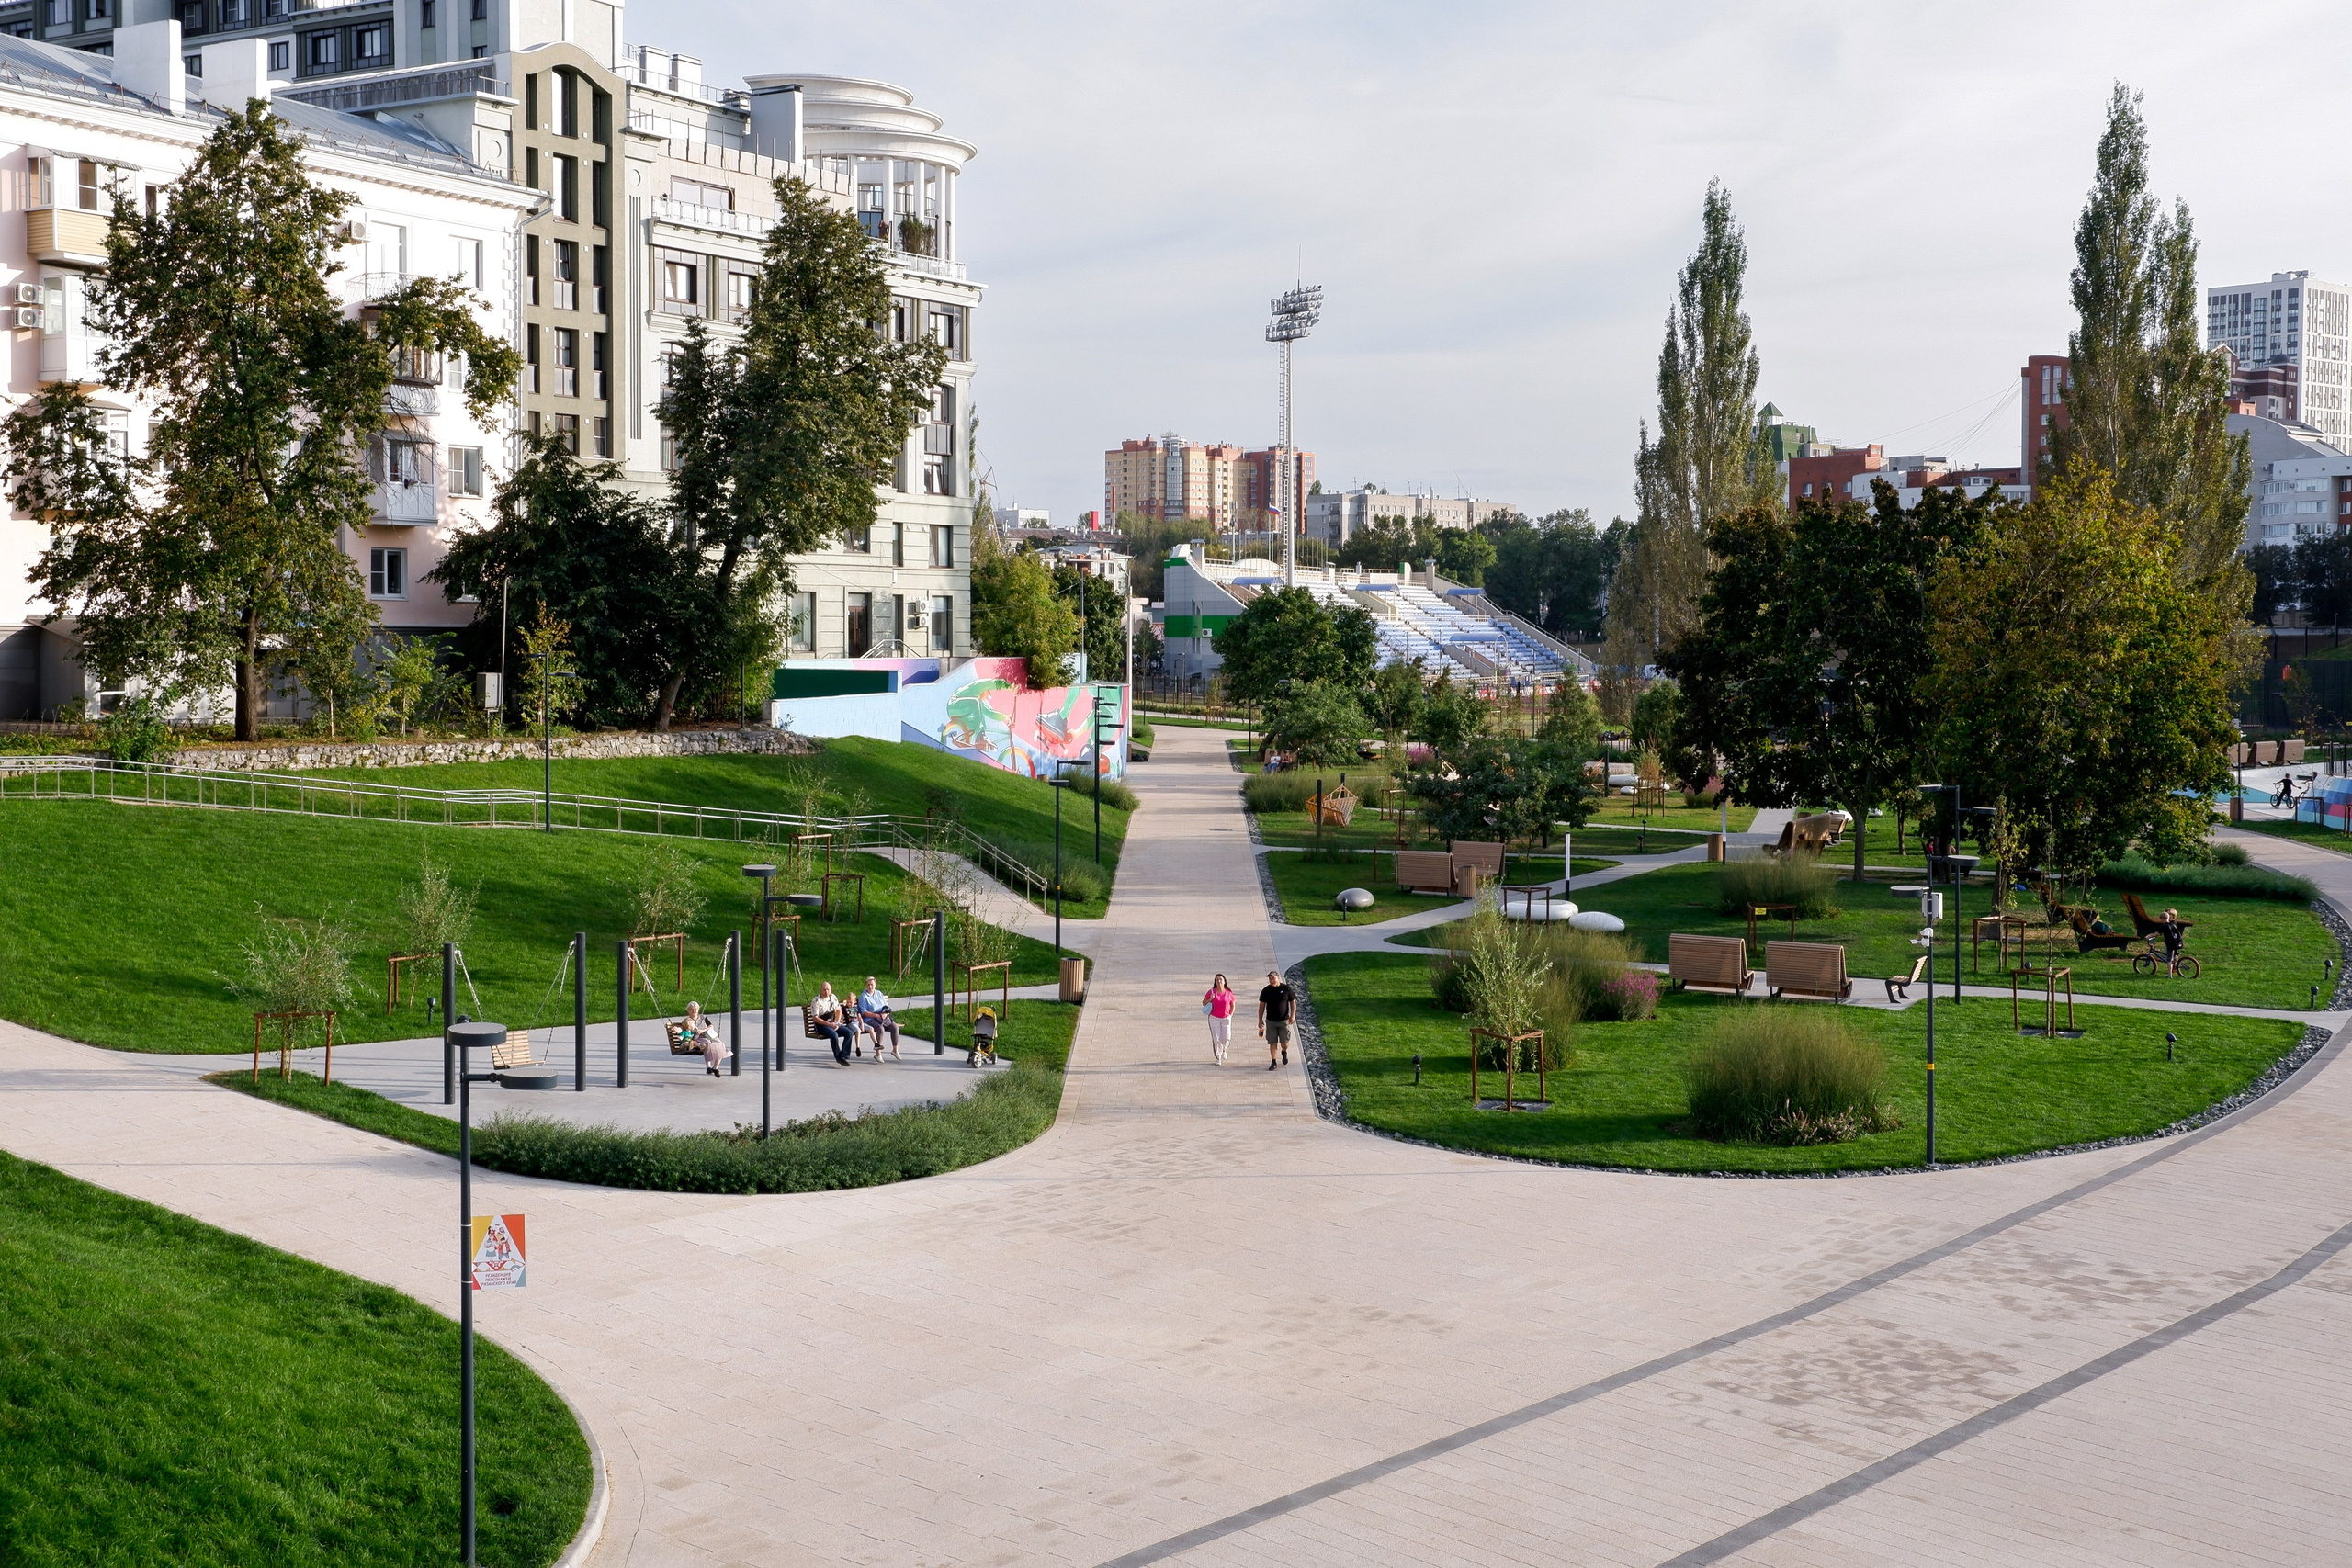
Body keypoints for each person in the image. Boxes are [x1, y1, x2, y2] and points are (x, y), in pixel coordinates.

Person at [809, 981, 856, 1066]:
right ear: (820, 990)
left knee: (849, 1033)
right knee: (834, 1035)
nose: (826, 992)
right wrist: (829, 1024)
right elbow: (815, 1018)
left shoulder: (832, 997)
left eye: (828, 989)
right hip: (821, 1025)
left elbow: (838, 1010)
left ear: (831, 990)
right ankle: (838, 1057)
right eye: (824, 990)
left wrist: (837, 1022)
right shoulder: (816, 1001)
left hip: (832, 1023)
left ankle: (844, 1056)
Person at [1258, 969, 1295, 1071]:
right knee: (1272, 1042)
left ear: (1278, 978)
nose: (1271, 980)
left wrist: (1292, 1016)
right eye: (1270, 978)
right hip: (1271, 1021)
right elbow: (1262, 1005)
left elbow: (1292, 1001)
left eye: (1273, 978)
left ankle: (1284, 1051)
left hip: (1284, 1021)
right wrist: (1260, 1019)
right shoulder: (1266, 991)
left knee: (1285, 1043)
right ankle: (1273, 1062)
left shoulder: (1286, 988)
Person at [857, 976, 900, 1061]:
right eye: (868, 985)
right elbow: (864, 1012)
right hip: (870, 1018)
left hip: (882, 1017)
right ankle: (878, 1054)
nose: (870, 987)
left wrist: (885, 1013)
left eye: (872, 985)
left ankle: (895, 1050)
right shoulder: (863, 996)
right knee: (880, 1029)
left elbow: (886, 1006)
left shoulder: (879, 993)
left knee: (895, 1027)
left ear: (875, 985)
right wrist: (876, 1015)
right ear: (866, 985)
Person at [681, 1000, 728, 1077]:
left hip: (708, 1035)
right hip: (698, 1038)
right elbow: (683, 1028)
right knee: (708, 1044)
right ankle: (708, 1067)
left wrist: (702, 1030)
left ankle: (715, 1067)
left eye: (695, 1009)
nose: (694, 1011)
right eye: (691, 1009)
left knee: (721, 1045)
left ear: (698, 1009)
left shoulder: (703, 1017)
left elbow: (711, 1026)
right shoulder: (688, 1020)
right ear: (688, 1010)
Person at [1202, 974, 1237, 1064]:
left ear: (1224, 981)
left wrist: (1230, 1015)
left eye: (1221, 979)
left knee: (1226, 1037)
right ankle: (1218, 1056)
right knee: (1216, 1037)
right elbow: (1204, 1003)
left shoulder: (1229, 993)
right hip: (1214, 1018)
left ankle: (1224, 1049)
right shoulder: (1211, 992)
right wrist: (1210, 999)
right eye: (1217, 980)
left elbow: (1233, 1005)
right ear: (1215, 982)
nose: (1219, 981)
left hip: (1226, 1018)